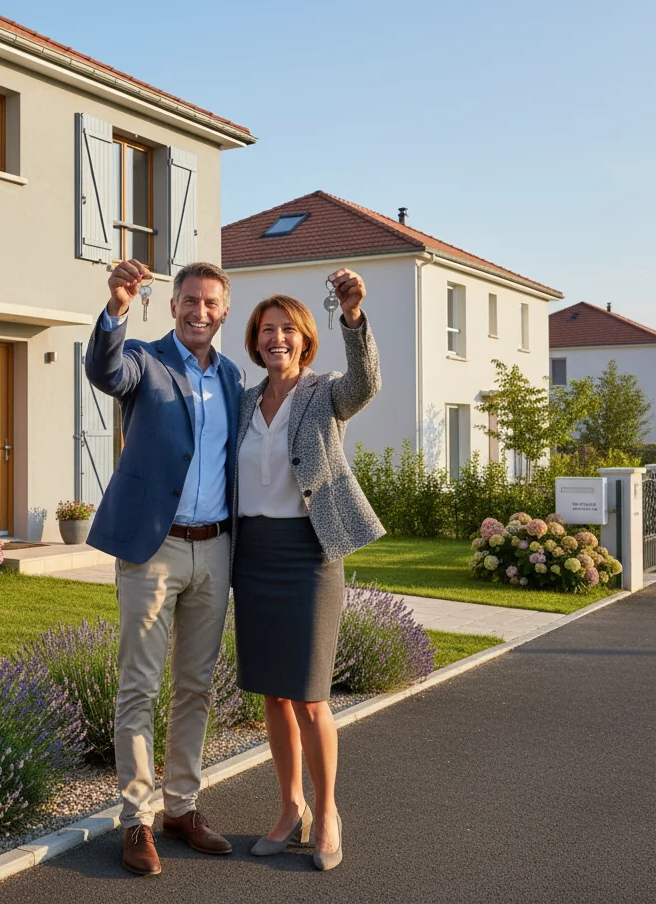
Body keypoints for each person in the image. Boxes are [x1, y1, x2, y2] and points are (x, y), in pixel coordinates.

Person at [85, 258, 244, 877]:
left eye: (210, 303)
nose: (199, 312)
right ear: (173, 305)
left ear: (223, 311)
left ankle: (182, 806)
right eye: (190, 301)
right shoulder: (145, 361)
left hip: (217, 547)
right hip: (155, 549)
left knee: (196, 686)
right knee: (140, 686)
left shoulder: (232, 377)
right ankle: (135, 820)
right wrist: (117, 307)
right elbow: (104, 369)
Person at [231, 270, 384, 871]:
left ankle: (327, 814)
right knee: (273, 694)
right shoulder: (244, 400)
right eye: (267, 330)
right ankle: (289, 807)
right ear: (255, 340)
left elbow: (366, 382)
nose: (277, 339)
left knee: (312, 697)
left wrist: (354, 316)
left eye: (287, 330)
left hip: (310, 552)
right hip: (255, 554)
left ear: (304, 338)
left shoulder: (325, 393)